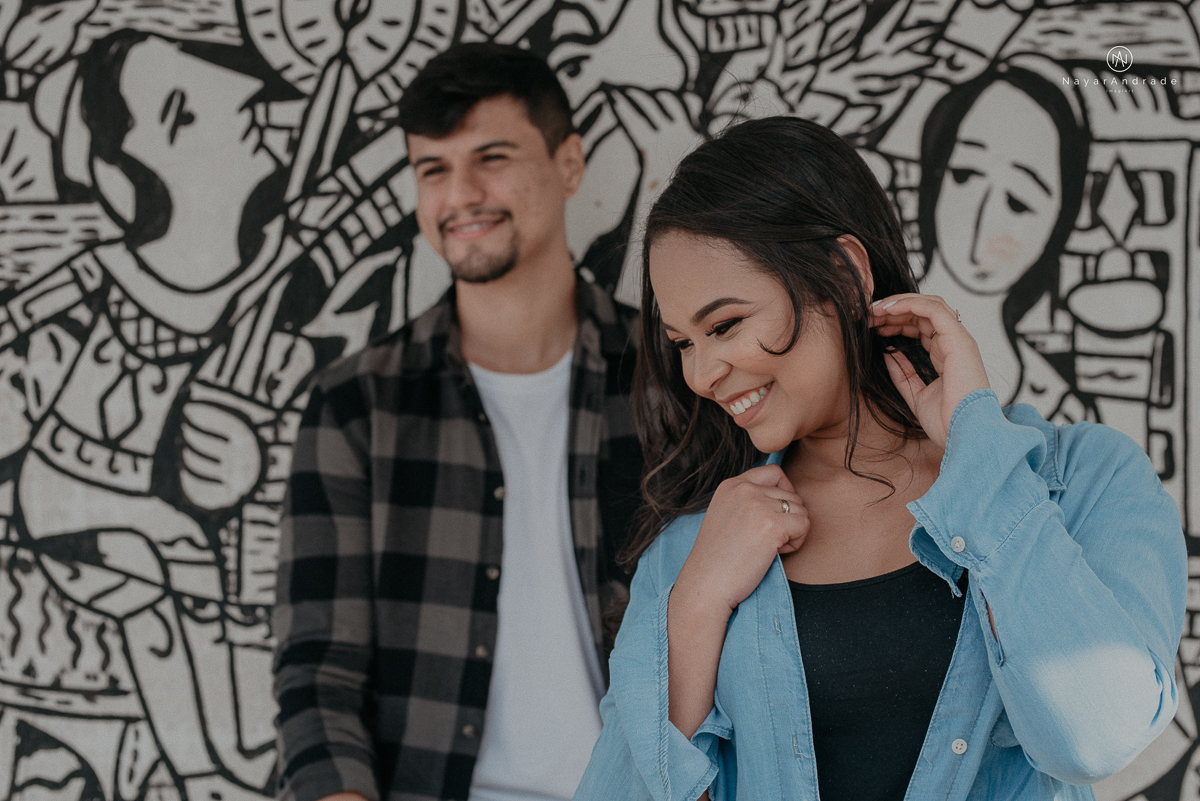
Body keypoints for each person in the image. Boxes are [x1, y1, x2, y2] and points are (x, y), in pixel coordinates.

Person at [574, 117, 1185, 800]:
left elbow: (1098, 735)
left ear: (844, 271)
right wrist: (696, 606)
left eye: (724, 325)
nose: (703, 371)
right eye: (682, 341)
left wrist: (980, 456)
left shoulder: (1084, 482)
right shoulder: (696, 543)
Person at [273, 43, 643, 801]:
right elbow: (319, 675)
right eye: (432, 169)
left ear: (570, 163)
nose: (460, 193)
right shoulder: (356, 406)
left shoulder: (674, 380)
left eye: (492, 157)